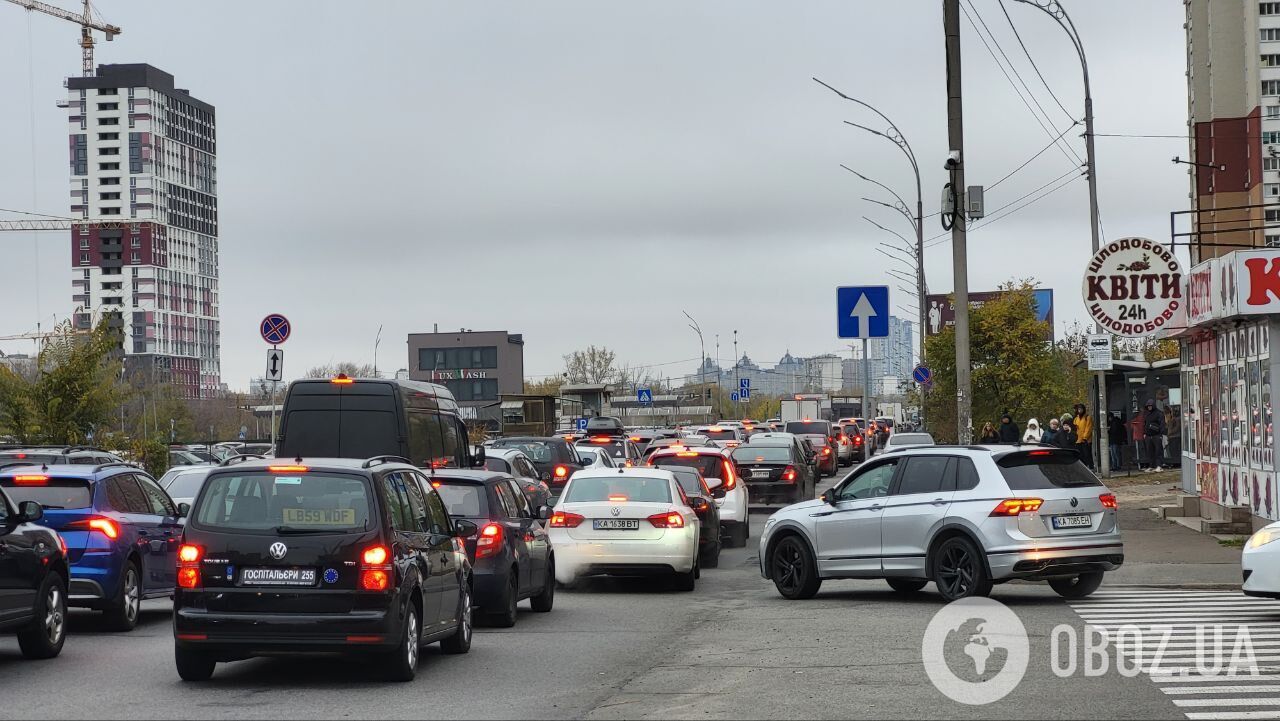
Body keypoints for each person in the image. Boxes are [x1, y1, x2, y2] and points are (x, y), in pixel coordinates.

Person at [1142, 400, 1167, 472]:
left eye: (1150, 406)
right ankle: (1151, 466)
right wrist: (1145, 433)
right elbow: (1145, 425)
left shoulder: (1159, 413)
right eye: (1148, 406)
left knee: (1158, 451)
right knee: (1150, 452)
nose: (1149, 407)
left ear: (1153, 406)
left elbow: (1162, 424)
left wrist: (1161, 433)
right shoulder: (1147, 415)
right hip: (1148, 436)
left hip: (1157, 435)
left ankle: (1159, 466)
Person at [1073, 403, 1094, 469]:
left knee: (1087, 454)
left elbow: (1088, 428)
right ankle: (1084, 468)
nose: (1080, 410)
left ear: (1083, 409)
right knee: (1081, 455)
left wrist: (1085, 438)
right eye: (1078, 409)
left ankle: (1091, 467)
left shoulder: (1087, 417)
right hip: (1078, 440)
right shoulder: (1076, 418)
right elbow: (1075, 428)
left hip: (1086, 440)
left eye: (1081, 409)